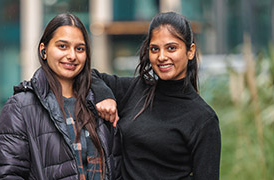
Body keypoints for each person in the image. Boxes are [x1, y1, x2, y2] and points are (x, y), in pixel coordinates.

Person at [0, 13, 120, 180]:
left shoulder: (99, 105)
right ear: (44, 50)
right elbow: (5, 175)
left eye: (79, 48)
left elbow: (116, 168)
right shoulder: (20, 107)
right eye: (62, 46)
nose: (72, 55)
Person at [93, 11, 221, 179]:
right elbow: (89, 75)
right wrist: (105, 96)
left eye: (171, 48)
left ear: (190, 51)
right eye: (154, 49)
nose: (161, 57)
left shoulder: (203, 119)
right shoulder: (135, 89)